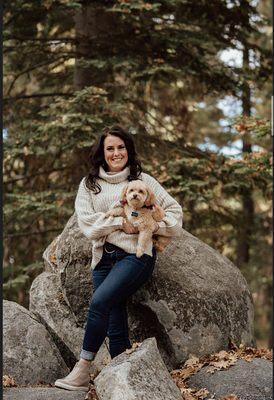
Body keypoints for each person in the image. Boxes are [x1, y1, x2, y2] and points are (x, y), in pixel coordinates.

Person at [55, 125, 183, 391]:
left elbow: (174, 211)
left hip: (136, 258)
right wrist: (118, 224)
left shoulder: (143, 180)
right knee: (115, 322)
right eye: (110, 148)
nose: (116, 153)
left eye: (121, 147)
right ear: (102, 153)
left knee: (100, 302)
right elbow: (88, 225)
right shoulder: (90, 184)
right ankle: (123, 385)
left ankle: (82, 369)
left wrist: (151, 227)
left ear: (129, 149)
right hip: (103, 258)